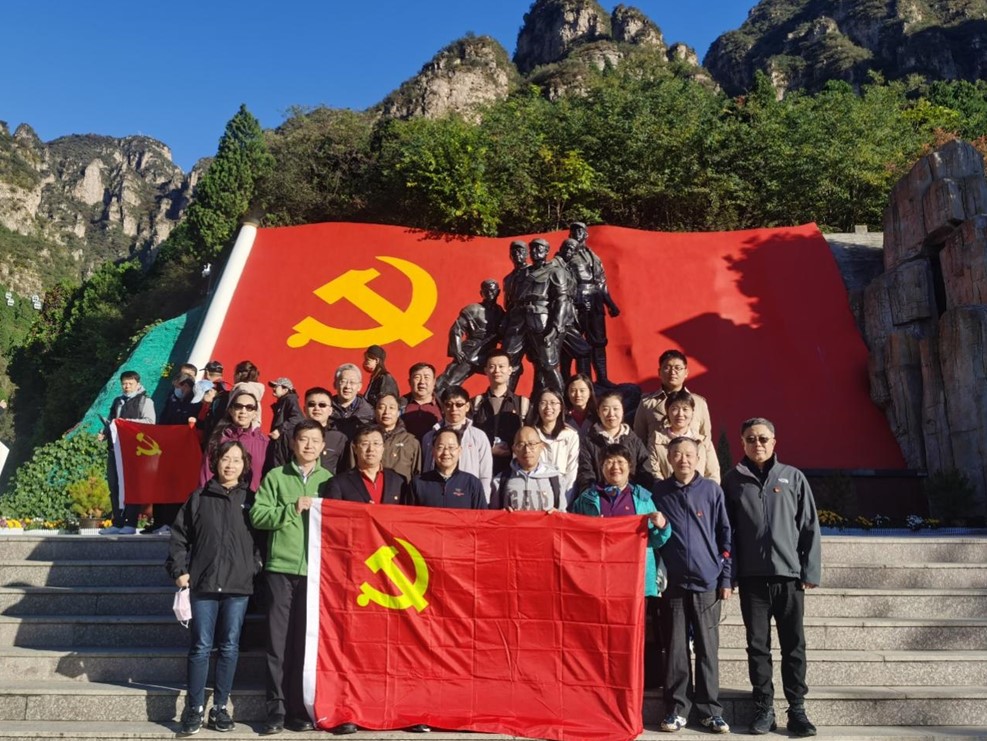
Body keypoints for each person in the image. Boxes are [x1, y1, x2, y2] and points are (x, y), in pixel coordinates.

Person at [722, 418, 821, 737]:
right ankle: (764, 707)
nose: (758, 444)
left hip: (788, 577)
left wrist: (809, 569)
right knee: (757, 647)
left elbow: (809, 526)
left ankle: (797, 709)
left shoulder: (793, 477)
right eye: (751, 439)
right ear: (742, 443)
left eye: (763, 438)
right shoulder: (732, 481)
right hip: (752, 579)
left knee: (794, 645)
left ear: (774, 441)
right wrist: (730, 574)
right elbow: (727, 532)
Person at [167, 440, 261, 736]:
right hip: (203, 583)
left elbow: (263, 540)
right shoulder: (198, 497)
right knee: (200, 646)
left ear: (245, 466)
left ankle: (220, 707)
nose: (230, 465)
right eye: (225, 459)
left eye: (237, 460)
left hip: (238, 585)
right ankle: (194, 708)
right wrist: (179, 570)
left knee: (230, 646)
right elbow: (179, 537)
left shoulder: (252, 499)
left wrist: (254, 565)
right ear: (216, 462)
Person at [251, 420, 333, 735]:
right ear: (293, 443)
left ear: (323, 446)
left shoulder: (329, 481)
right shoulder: (276, 476)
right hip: (280, 570)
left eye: (315, 440)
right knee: (277, 642)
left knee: (304, 643)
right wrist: (291, 509)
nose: (309, 445)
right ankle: (276, 709)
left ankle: (299, 709)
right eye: (303, 439)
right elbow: (258, 515)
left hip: (315, 573)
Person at [651, 437, 733, 734]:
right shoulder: (659, 492)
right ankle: (677, 708)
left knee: (707, 648)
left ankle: (711, 710)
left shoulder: (711, 490)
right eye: (677, 454)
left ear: (698, 458)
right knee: (675, 648)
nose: (683, 459)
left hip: (707, 581)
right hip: (672, 583)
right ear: (669, 458)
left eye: (689, 454)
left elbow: (725, 535)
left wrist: (725, 578)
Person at [570, 442, 671, 595]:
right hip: (600, 578)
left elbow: (654, 542)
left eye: (620, 461)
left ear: (629, 466)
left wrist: (663, 526)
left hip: (635, 578)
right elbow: (573, 534)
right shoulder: (587, 499)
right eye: (609, 462)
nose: (615, 467)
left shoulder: (643, 499)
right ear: (601, 467)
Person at [508, 238, 571, 394]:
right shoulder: (522, 273)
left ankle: (561, 400)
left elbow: (562, 300)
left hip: (540, 322)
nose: (535, 251)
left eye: (539, 248)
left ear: (547, 251)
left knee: (548, 364)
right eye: (533, 249)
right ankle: (505, 400)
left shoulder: (555, 271)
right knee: (508, 361)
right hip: (518, 321)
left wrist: (556, 328)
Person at [563, 222, 621, 386]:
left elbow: (601, 283)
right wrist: (572, 301)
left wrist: (610, 304)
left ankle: (602, 378)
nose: (577, 233)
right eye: (574, 230)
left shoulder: (593, 256)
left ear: (586, 234)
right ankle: (584, 380)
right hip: (576, 301)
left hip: (595, 300)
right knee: (579, 343)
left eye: (581, 230)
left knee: (599, 341)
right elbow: (562, 281)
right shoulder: (566, 255)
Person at [99, 370, 156, 535]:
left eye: (130, 383)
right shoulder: (118, 401)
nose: (127, 386)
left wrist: (126, 423)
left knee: (131, 486)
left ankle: (130, 522)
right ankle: (117, 522)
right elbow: (112, 421)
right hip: (115, 449)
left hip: (133, 451)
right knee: (114, 485)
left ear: (138, 384)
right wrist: (105, 432)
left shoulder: (145, 401)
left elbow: (150, 422)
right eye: (124, 383)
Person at [149, 372, 201, 535]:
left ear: (186, 386)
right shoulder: (172, 400)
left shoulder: (194, 402)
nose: (177, 390)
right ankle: (159, 522)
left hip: (183, 452)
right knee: (162, 486)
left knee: (177, 487)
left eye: (179, 386)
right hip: (167, 450)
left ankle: (173, 522)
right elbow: (163, 421)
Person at [576, 391, 655, 496]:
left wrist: (638, 495)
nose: (611, 414)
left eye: (616, 409)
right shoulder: (588, 442)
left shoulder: (634, 440)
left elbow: (645, 470)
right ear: (598, 412)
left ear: (623, 411)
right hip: (599, 498)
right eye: (605, 409)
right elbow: (585, 473)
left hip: (632, 497)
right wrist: (593, 496)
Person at [634, 350, 712, 456]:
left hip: (691, 463)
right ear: (659, 372)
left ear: (686, 372)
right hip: (657, 463)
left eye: (678, 368)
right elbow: (639, 441)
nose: (672, 372)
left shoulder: (699, 403)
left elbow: (706, 440)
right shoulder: (647, 404)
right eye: (667, 367)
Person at [422, 386, 493, 500]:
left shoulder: (479, 437)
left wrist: (483, 501)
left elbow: (485, 475)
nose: (454, 409)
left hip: (468, 496)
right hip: (434, 495)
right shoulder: (429, 437)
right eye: (448, 404)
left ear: (467, 406)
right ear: (443, 408)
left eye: (459, 404)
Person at [435, 280, 506, 393]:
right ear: (481, 293)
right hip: (470, 351)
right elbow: (456, 329)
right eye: (486, 291)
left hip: (488, 354)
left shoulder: (500, 312)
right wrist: (457, 351)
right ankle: (436, 398)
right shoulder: (472, 309)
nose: (490, 294)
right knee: (451, 381)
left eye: (492, 291)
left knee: (505, 374)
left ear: (498, 292)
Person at [470, 351, 529, 479]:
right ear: (486, 371)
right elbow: (468, 438)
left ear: (510, 370)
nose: (497, 370)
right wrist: (488, 450)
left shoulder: (522, 403)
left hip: (514, 471)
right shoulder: (475, 403)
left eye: (501, 366)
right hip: (480, 469)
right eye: (492, 366)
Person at [199, 389, 269, 492]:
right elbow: (206, 476)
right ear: (231, 411)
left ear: (255, 413)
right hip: (220, 498)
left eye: (249, 408)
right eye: (238, 406)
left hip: (253, 499)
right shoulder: (218, 439)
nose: (243, 411)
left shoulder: (265, 443)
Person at [326, 424, 409, 505]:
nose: (371, 449)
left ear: (383, 448)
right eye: (365, 444)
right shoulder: (339, 483)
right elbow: (334, 512)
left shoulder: (399, 481)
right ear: (355, 448)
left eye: (376, 443)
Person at [649, 390, 720, 483]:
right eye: (675, 409)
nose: (680, 414)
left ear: (692, 412)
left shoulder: (702, 441)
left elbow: (713, 474)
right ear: (667, 412)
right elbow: (654, 472)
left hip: (700, 492)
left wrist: (703, 490)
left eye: (685, 409)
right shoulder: (656, 441)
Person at [410, 428, 488, 509]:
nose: (446, 453)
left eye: (451, 447)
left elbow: (482, 515)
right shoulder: (418, 483)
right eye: (440, 447)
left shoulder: (472, 483)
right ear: (433, 451)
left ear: (459, 450)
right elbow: (408, 514)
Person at [491, 426, 563, 511]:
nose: (527, 450)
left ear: (541, 447)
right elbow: (493, 514)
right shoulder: (500, 481)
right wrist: (501, 514)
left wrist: (558, 514)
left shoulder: (555, 479)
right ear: (514, 449)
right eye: (521, 445)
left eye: (532, 444)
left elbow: (565, 515)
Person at [529, 388, 579, 504]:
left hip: (564, 493)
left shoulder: (570, 435)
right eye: (543, 403)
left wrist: (563, 501)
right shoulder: (530, 434)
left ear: (561, 407)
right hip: (535, 494)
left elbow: (572, 472)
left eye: (553, 403)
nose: (548, 407)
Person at [373, 393, 421, 485]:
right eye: (381, 407)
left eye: (391, 408)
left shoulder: (411, 441)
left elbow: (417, 475)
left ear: (398, 412)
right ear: (375, 411)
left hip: (401, 491)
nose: (386, 412)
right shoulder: (363, 440)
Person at [303, 386, 350, 475]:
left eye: (322, 405)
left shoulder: (339, 438)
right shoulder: (290, 435)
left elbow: (345, 473)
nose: (317, 408)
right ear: (304, 409)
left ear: (330, 411)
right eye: (311, 404)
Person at [267, 377, 304, 469]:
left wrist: (279, 430)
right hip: (282, 442)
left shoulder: (290, 399)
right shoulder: (283, 401)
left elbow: (297, 417)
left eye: (276, 386)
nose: (273, 388)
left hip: (285, 442)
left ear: (285, 389)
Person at [330, 363, 374, 441]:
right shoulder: (324, 408)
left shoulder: (369, 412)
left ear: (359, 386)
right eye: (343, 381)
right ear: (335, 384)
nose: (347, 386)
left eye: (352, 382)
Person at [399, 362, 443, 441]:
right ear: (409, 382)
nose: (422, 382)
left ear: (434, 382)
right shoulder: (399, 405)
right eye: (417, 377)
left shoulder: (443, 406)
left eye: (426, 377)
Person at [231, 360, 265, 428]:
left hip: (237, 430)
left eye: (234, 373)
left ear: (239, 374)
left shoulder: (243, 390)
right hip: (252, 430)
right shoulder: (254, 390)